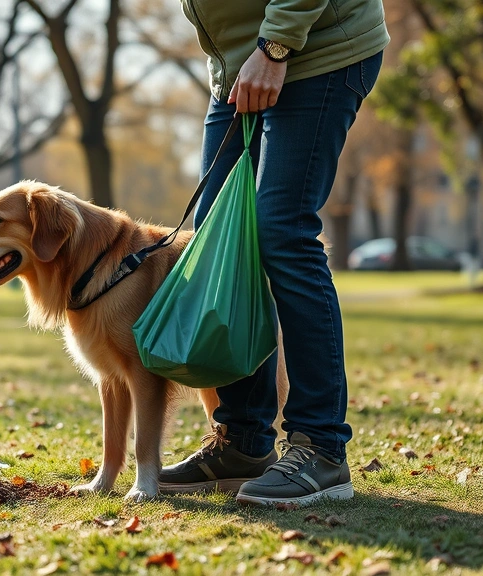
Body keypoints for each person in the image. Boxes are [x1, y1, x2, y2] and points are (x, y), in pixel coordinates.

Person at [159, 1, 389, 507]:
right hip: (240, 69)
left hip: (315, 51)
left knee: (282, 231)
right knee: (220, 238)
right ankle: (243, 442)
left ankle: (321, 447)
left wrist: (274, 46)